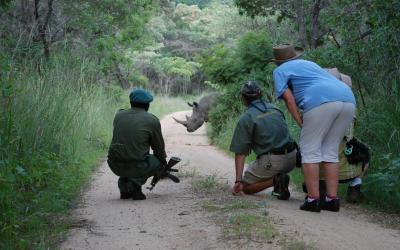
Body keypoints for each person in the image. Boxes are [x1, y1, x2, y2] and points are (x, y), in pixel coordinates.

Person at [272, 44, 356, 212]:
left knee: (309, 151)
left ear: (277, 62)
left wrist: (300, 122)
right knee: (330, 151)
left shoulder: (279, 71)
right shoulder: (310, 64)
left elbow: (288, 99)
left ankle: (312, 200)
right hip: (348, 99)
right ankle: (332, 200)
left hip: (320, 101)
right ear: (294, 56)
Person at [230, 80, 297, 200]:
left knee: (245, 187)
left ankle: (276, 180)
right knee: (264, 165)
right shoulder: (275, 109)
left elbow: (240, 153)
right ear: (261, 94)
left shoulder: (247, 118)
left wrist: (238, 180)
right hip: (293, 158)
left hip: (273, 162)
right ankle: (278, 180)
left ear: (243, 98)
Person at [107, 88, 167, 200]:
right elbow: (158, 148)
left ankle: (124, 189)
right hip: (136, 165)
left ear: (131, 102)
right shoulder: (151, 120)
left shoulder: (119, 115)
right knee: (158, 162)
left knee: (127, 157)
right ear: (148, 105)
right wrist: (163, 162)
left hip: (114, 164)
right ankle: (135, 185)